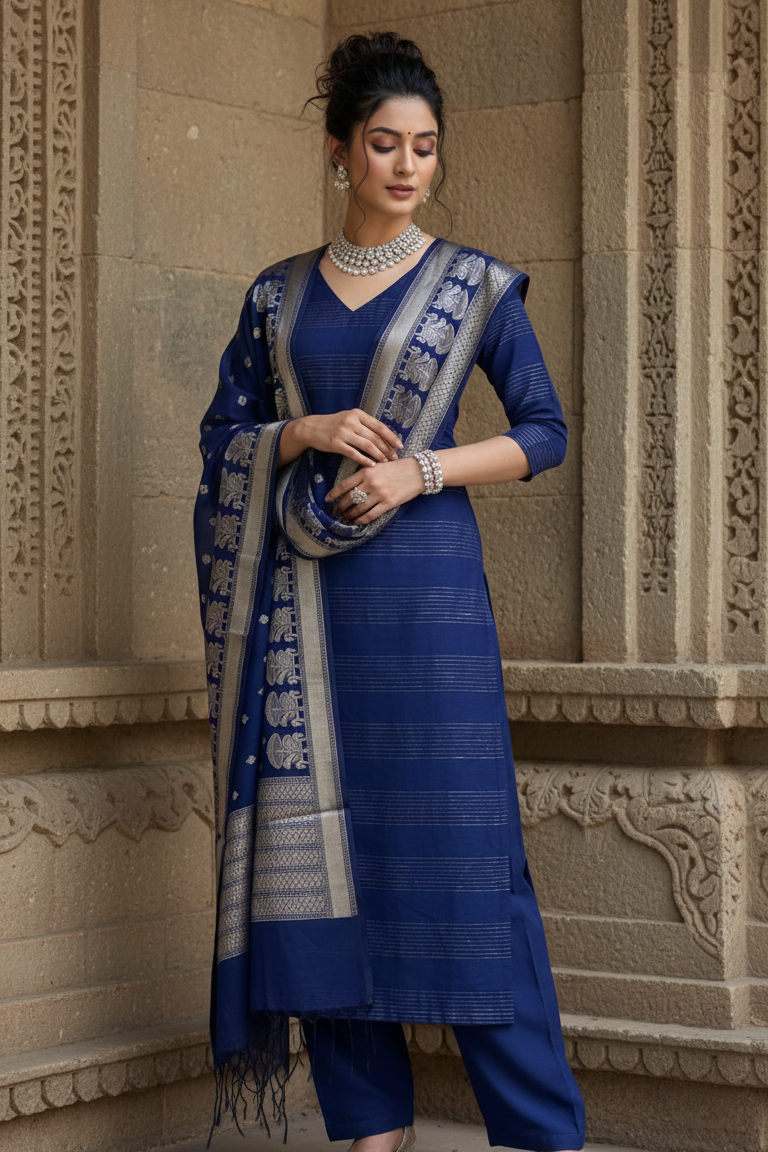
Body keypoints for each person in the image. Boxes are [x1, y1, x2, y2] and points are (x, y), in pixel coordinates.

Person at [193, 30, 586, 1152]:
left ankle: (541, 1133)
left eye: (424, 148)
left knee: (472, 875)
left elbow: (544, 433)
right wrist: (302, 431)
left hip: (429, 615)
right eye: (383, 145)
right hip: (311, 626)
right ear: (338, 152)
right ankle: (371, 1134)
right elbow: (224, 443)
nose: (407, 167)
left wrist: (423, 470)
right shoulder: (275, 300)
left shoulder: (474, 288)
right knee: (330, 871)